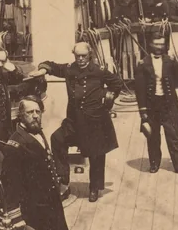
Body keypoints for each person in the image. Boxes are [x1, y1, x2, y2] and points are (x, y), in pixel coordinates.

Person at [2, 97, 98, 230]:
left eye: (38, 111)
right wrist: (17, 218)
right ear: (21, 116)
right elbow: (10, 184)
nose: (36, 115)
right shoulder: (16, 144)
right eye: (30, 113)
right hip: (36, 211)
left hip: (51, 206)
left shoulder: (36, 132)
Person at [40, 43, 124, 203]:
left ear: (89, 55)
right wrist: (44, 69)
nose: (80, 59)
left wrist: (107, 96)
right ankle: (63, 180)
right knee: (57, 139)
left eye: (83, 56)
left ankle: (94, 187)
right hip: (74, 121)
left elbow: (117, 83)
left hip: (95, 120)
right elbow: (52, 66)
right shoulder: (70, 69)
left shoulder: (99, 71)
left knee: (96, 154)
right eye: (77, 55)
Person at [133, 33, 178, 177]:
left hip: (168, 103)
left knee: (173, 135)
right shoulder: (143, 64)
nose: (159, 47)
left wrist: (177, 62)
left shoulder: (169, 61)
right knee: (153, 137)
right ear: (150, 45)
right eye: (156, 44)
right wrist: (143, 112)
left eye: (162, 44)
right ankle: (154, 163)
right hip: (152, 105)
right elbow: (139, 90)